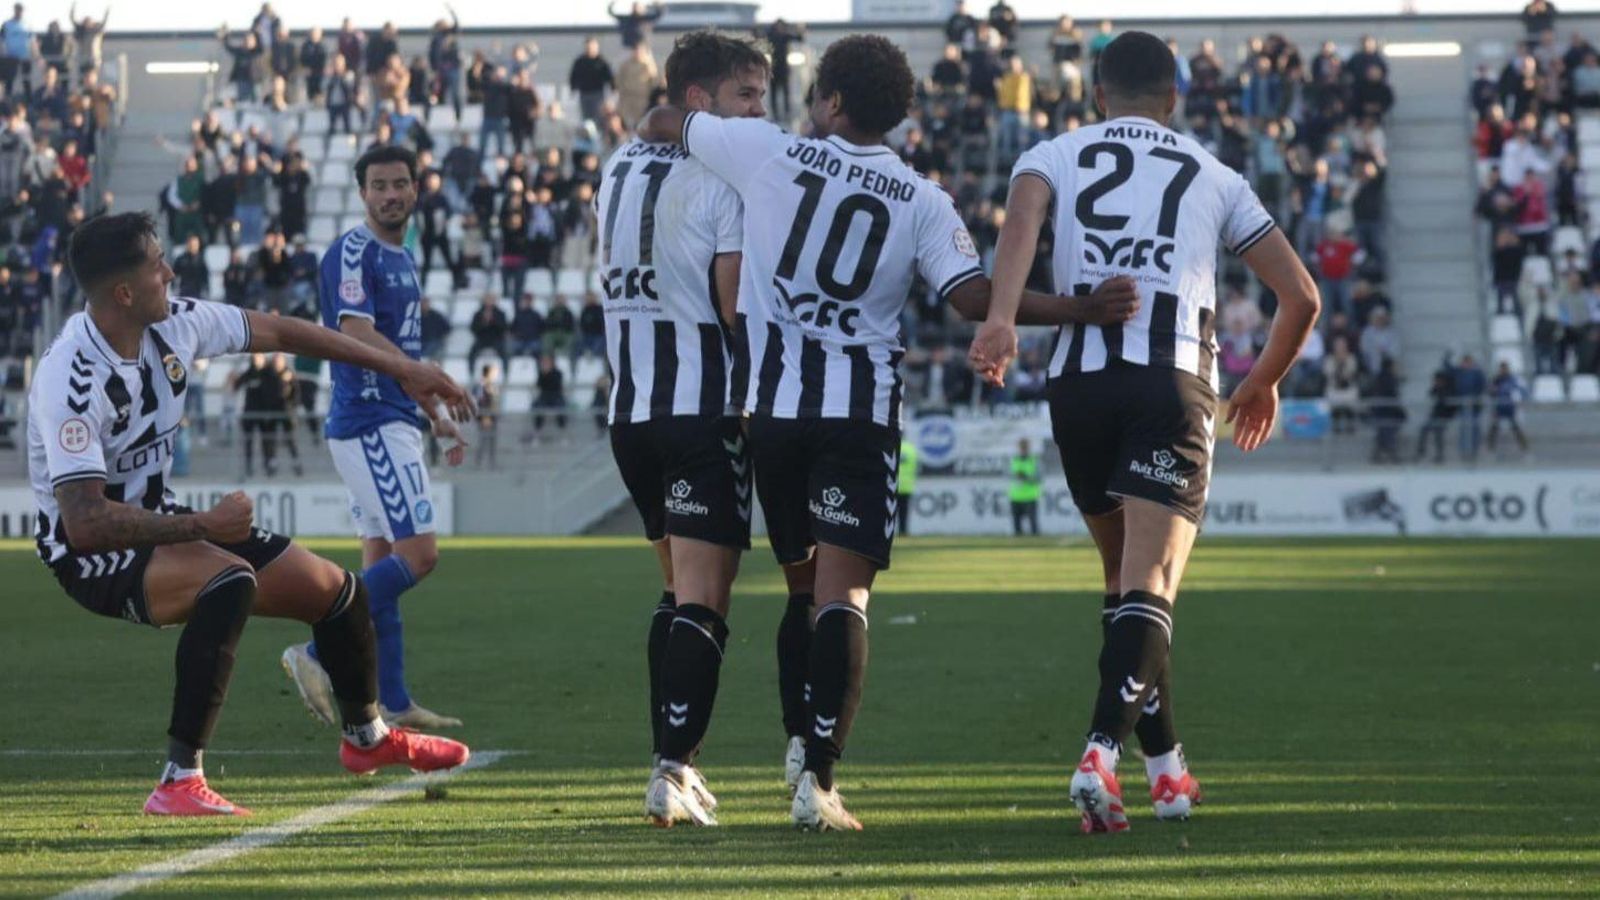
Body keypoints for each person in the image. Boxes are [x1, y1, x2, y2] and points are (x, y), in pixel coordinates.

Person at [638, 33, 1131, 831]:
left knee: (802, 588)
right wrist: (1076, 309)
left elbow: (668, 117)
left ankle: (798, 744)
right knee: (842, 596)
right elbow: (973, 298)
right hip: (858, 415)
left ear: (830, 101)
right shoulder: (922, 199)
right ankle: (817, 779)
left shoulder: (766, 150)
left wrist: (667, 127)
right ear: (896, 113)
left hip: (773, 412)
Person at [974, 31, 1319, 834]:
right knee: (1151, 588)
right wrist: (1261, 381)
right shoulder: (1215, 173)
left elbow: (1020, 226)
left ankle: (1166, 773)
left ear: (1098, 94)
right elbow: (1301, 297)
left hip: (1077, 386)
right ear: (1174, 101)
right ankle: (1101, 753)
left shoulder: (1050, 154)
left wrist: (999, 319)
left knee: (1125, 588)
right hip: (1169, 382)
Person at [27, 211, 473, 815]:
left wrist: (404, 370)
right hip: (92, 555)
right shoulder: (70, 377)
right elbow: (83, 523)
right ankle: (178, 780)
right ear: (123, 293)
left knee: (340, 593)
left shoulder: (176, 323)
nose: (171, 272)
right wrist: (202, 528)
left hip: (159, 519)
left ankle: (366, 739)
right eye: (158, 265)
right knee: (228, 579)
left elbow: (285, 333)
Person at [599, 31, 767, 827]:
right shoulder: (721, 179)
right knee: (706, 597)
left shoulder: (617, 165)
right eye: (745, 96)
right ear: (698, 102)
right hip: (702, 410)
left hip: (630, 413)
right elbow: (733, 304)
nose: (759, 111)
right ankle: (672, 767)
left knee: (673, 592)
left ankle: (673, 762)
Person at [279, 145, 472, 733]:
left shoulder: (404, 258)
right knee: (421, 554)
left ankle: (391, 700)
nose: (391, 194)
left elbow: (403, 357)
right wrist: (428, 382)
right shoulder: (353, 252)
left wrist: (432, 413)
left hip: (392, 418)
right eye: (379, 185)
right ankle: (314, 652)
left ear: (416, 190)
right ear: (362, 193)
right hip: (367, 422)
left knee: (382, 561)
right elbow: (357, 334)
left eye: (400, 184)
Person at [1009, 437, 1040, 536]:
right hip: (1015, 496)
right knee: (1017, 525)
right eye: (1022, 447)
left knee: (1033, 524)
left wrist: (1026, 477)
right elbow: (1009, 476)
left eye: (1025, 447)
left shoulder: (1034, 461)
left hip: (1030, 496)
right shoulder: (1014, 460)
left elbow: (1039, 478)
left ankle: (1036, 545)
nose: (1023, 449)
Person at [895, 432, 916, 536]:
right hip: (907, 486)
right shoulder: (911, 449)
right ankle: (903, 532)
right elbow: (915, 467)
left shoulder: (892, 445)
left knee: (891, 512)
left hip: (893, 485)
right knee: (904, 512)